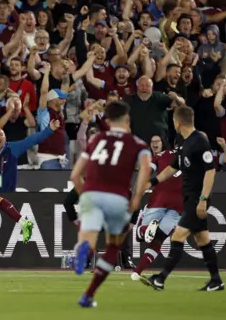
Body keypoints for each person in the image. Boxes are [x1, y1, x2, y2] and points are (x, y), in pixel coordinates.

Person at [70, 100, 152, 308]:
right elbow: (145, 169)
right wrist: (136, 198)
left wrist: (84, 194)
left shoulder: (96, 139)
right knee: (113, 246)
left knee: (88, 240)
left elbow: (75, 175)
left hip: (91, 194)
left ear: (106, 120)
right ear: (127, 119)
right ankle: (88, 295)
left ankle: (83, 250)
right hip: (117, 198)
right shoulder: (138, 144)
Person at [138, 106, 224, 292]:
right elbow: (172, 168)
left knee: (177, 235)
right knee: (203, 240)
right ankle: (216, 280)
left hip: (196, 198)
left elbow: (210, 171)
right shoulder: (185, 144)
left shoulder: (199, 141)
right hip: (189, 198)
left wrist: (203, 199)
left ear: (178, 123)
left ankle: (160, 279)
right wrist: (152, 182)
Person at [131, 136, 183, 280]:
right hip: (179, 203)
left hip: (160, 198)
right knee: (158, 240)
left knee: (140, 236)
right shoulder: (196, 160)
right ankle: (137, 272)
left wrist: (138, 191)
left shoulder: (161, 155)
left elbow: (147, 170)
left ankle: (143, 229)